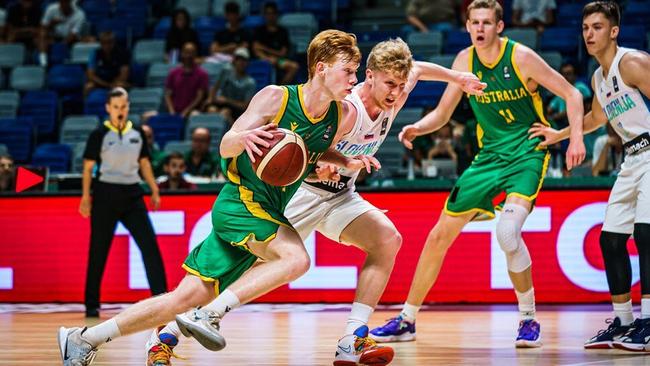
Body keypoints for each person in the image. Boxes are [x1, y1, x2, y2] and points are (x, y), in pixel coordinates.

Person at [56, 30, 380, 366]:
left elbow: (304, 159)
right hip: (241, 202)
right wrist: (244, 137)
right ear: (322, 68)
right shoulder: (276, 98)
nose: (354, 80)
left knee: (181, 299)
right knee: (296, 259)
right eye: (349, 71)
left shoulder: (338, 116)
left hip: (267, 207)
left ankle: (81, 339)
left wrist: (342, 163)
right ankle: (208, 315)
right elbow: (226, 144)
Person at [369, 0, 585, 348]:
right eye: (474, 22)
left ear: (500, 27)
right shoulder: (463, 62)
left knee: (508, 232)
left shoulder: (521, 58)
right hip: (487, 159)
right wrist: (417, 129)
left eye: (486, 22)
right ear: (468, 26)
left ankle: (528, 318)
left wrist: (573, 136)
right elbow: (442, 114)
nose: (480, 28)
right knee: (438, 235)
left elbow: (573, 94)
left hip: (526, 154)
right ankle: (407, 318)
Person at [282, 38, 485, 365]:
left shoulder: (399, 89)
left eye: (401, 85)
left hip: (340, 196)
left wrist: (457, 78)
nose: (395, 92)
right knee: (256, 265)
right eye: (390, 83)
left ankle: (353, 339)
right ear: (371, 76)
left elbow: (420, 69)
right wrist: (323, 165)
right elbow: (305, 153)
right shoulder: (348, 108)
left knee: (388, 239)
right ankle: (186, 323)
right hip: (304, 192)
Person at [529, 1, 650, 351]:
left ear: (614, 31)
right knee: (610, 240)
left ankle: (648, 321)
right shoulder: (598, 77)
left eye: (597, 27)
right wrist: (560, 134)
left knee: (645, 235)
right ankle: (624, 321)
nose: (589, 34)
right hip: (631, 158)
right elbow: (597, 119)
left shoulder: (634, 62)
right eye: (585, 28)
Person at [78, 87, 168, 319]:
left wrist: (154, 189)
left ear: (128, 107)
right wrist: (86, 197)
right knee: (98, 251)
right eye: (116, 107)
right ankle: (91, 304)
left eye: (124, 106)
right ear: (108, 108)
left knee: (150, 247)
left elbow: (145, 163)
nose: (120, 110)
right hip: (105, 195)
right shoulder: (99, 133)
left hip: (132, 195)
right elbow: (88, 168)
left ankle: (161, 299)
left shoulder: (137, 131)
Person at [251, 2, 299, 85]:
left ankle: (280, 89)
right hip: (263, 59)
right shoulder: (259, 31)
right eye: (268, 13)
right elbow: (255, 49)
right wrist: (267, 58)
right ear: (264, 15)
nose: (270, 16)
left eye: (273, 13)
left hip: (279, 61)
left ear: (277, 15)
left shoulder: (282, 32)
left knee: (294, 67)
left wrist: (264, 48)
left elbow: (282, 53)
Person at [204, 47, 257, 123]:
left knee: (225, 113)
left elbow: (244, 106)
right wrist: (211, 99)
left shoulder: (250, 82)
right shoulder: (226, 71)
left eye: (244, 60)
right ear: (234, 61)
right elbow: (215, 87)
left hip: (237, 111)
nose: (241, 62)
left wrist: (227, 101)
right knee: (211, 110)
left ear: (247, 63)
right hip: (222, 104)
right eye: (238, 59)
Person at [164, 42, 210, 119]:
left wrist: (185, 112)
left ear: (195, 54)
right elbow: (168, 95)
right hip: (174, 111)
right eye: (186, 52)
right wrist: (171, 111)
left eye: (191, 53)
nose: (188, 55)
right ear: (182, 53)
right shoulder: (173, 73)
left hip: (192, 112)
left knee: (195, 115)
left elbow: (199, 97)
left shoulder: (202, 74)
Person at [38, 0, 86, 66]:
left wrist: (60, 45)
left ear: (70, 2)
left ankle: (66, 60)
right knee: (42, 34)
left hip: (72, 40)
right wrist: (52, 24)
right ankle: (43, 60)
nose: (63, 4)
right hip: (53, 37)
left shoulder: (80, 14)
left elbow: (74, 34)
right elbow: (43, 27)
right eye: (62, 2)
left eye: (66, 2)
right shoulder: (51, 9)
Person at [85, 31, 130, 95]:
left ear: (114, 42)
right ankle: (86, 105)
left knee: (120, 85)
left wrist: (113, 84)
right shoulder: (95, 53)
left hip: (116, 81)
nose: (107, 45)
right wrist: (105, 84)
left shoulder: (123, 53)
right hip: (101, 81)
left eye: (109, 42)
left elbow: (124, 75)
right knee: (88, 86)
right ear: (100, 43)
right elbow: (90, 75)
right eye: (104, 43)